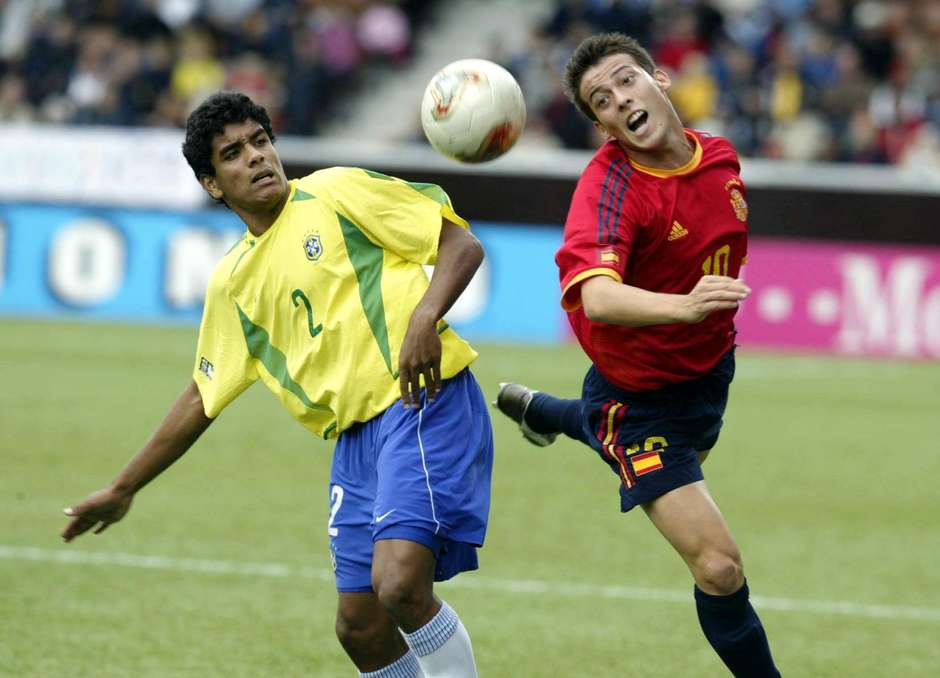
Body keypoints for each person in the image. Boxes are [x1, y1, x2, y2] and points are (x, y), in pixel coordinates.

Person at [61, 91, 492, 678]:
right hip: (355, 442)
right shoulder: (234, 283)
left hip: (421, 400)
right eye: (233, 153)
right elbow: (200, 395)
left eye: (261, 141)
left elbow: (460, 245)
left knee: (398, 583)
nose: (257, 157)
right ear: (213, 184)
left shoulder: (337, 192)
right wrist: (122, 487)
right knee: (359, 627)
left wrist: (424, 318)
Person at [495, 33, 781, 677]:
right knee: (718, 565)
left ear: (660, 79)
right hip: (637, 402)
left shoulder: (720, 156)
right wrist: (684, 306)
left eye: (627, 81)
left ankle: (552, 414)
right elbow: (596, 298)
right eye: (603, 100)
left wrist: (699, 316)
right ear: (601, 128)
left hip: (709, 373)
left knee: (656, 451)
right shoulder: (609, 188)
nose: (621, 99)